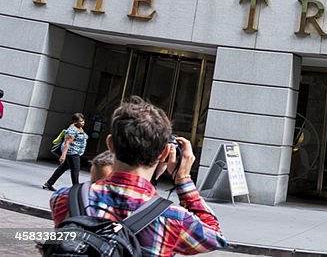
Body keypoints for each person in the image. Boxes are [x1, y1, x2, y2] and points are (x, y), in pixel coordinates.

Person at [50, 96, 226, 256]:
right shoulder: (174, 218)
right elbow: (214, 236)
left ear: (110, 144)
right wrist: (183, 178)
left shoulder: (64, 198)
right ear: (164, 153)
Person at [42, 113, 88, 190]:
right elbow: (67, 143)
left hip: (76, 151)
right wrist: (63, 155)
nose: (83, 123)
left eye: (83, 121)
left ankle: (49, 183)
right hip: (72, 152)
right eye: (80, 121)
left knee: (62, 168)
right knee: (75, 170)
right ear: (75, 122)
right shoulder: (72, 130)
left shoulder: (79, 128)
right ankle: (75, 188)